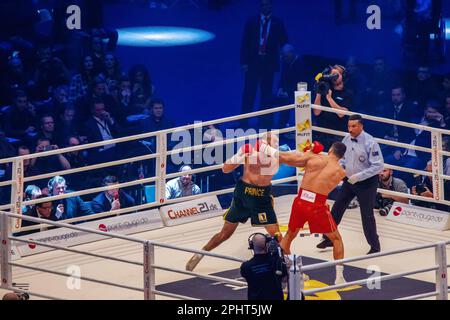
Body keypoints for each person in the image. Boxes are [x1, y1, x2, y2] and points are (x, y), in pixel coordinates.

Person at [185, 133, 282, 271]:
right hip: (257, 198)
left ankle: (201, 253)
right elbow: (225, 169)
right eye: (275, 141)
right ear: (266, 143)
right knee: (276, 235)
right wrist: (240, 155)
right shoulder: (260, 154)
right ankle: (289, 269)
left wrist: (241, 155)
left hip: (244, 194)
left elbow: (225, 169)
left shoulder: (266, 155)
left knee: (225, 233)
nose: (277, 144)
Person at [257, 139, 348, 284]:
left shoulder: (314, 158)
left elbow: (286, 158)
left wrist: (267, 149)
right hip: (317, 206)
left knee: (288, 237)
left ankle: (295, 274)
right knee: (336, 239)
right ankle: (339, 277)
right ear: (341, 156)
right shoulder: (341, 172)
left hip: (300, 202)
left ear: (330, 150)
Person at [317, 115, 384, 255]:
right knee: (337, 208)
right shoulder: (346, 139)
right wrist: (340, 170)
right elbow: (342, 159)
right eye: (349, 126)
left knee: (367, 215)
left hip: (366, 183)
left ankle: (375, 246)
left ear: (361, 126)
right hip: (349, 181)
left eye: (353, 126)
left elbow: (378, 166)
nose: (350, 129)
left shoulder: (370, 142)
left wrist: (359, 176)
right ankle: (328, 238)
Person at [240, 0, 288, 128]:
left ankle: (265, 122)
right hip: (253, 63)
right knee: (249, 92)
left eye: (268, 4)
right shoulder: (251, 22)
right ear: (260, 6)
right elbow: (245, 42)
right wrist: (244, 62)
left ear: (271, 6)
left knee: (266, 94)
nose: (266, 7)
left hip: (269, 64)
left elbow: (284, 42)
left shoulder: (278, 23)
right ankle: (243, 122)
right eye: (263, 5)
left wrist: (285, 60)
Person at [313, 65, 352, 150]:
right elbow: (316, 112)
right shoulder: (325, 88)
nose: (334, 77)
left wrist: (329, 99)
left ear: (343, 77)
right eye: (332, 74)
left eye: (336, 75)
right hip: (322, 133)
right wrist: (319, 92)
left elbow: (342, 114)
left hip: (337, 136)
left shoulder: (347, 93)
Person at [240, 233, 287, 300]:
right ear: (267, 245)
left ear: (251, 245)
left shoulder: (246, 266)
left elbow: (246, 275)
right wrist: (277, 255)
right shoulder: (276, 263)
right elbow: (284, 279)